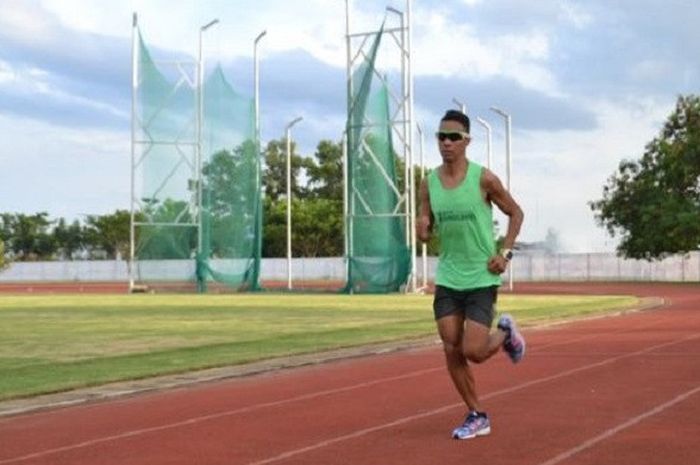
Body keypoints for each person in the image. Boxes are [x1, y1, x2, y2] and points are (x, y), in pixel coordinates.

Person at [416, 109, 525, 440]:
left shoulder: (484, 179)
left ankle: (507, 334)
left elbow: (516, 212)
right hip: (449, 276)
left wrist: (504, 253)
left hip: (481, 275)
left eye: (453, 137)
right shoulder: (428, 183)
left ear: (466, 141)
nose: (446, 143)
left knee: (473, 351)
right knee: (451, 347)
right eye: (441, 137)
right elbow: (425, 226)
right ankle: (477, 414)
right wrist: (421, 228)